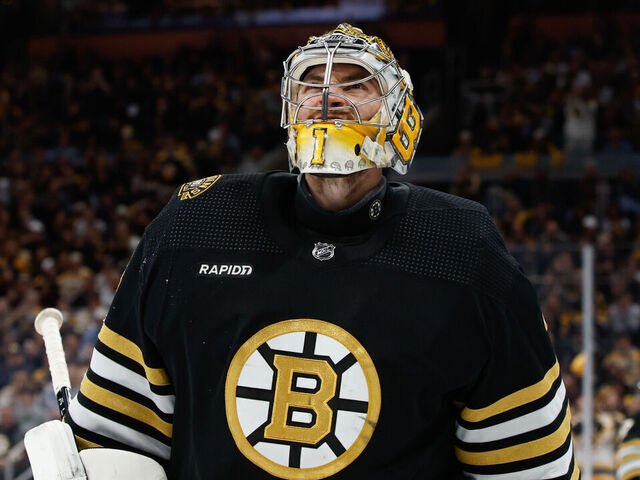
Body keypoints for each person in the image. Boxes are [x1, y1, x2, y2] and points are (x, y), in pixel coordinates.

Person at [63, 24, 580, 478]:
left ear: (400, 115)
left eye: (357, 84)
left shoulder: (463, 250)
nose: (329, 97)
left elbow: (528, 469)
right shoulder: (194, 225)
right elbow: (115, 436)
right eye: (311, 84)